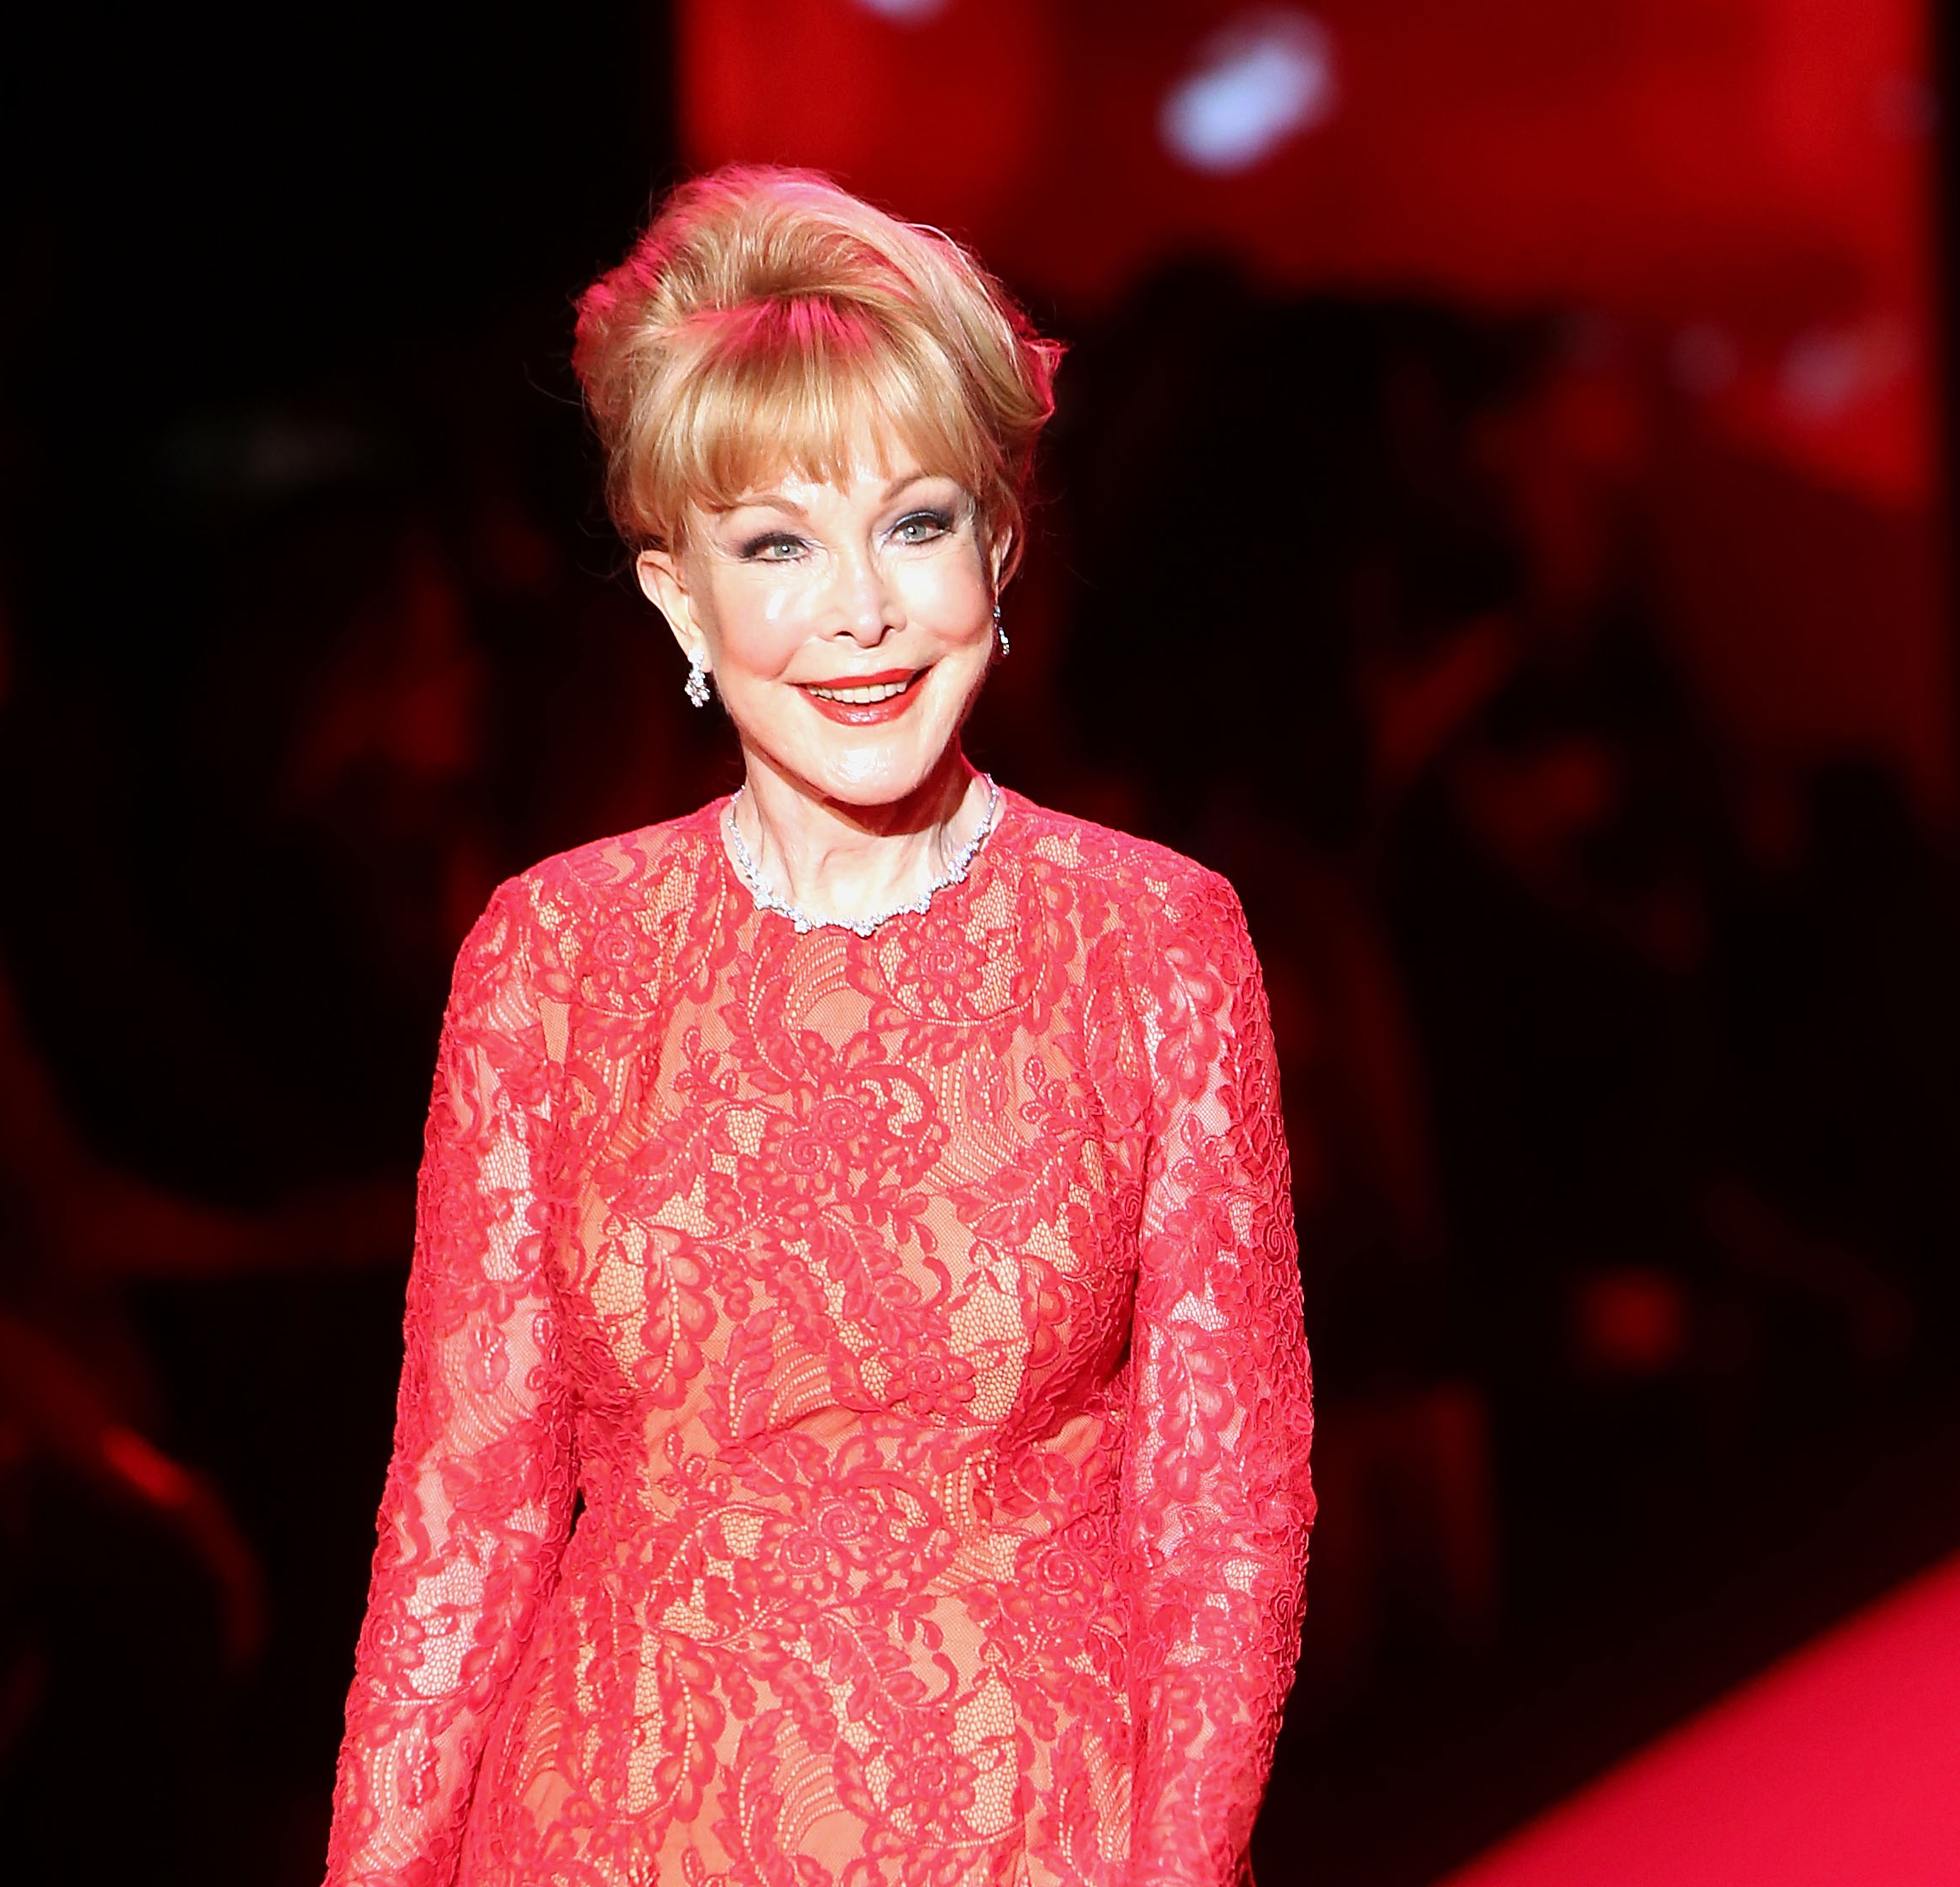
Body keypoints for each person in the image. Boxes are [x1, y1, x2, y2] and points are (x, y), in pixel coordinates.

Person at [324, 169, 1314, 1885]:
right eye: (777, 544)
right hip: (607, 1834)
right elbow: (461, 1514)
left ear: (1000, 549)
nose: (860, 608)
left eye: (914, 525)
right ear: (678, 600)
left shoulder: (1156, 940)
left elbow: (1221, 1516)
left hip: (1029, 1838)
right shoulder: (553, 955)